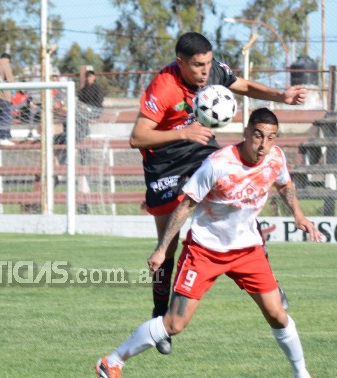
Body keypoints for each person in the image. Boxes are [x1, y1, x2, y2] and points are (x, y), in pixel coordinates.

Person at [96, 108, 333, 378]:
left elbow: (284, 184)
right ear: (246, 132)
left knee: (277, 313)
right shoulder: (218, 164)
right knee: (175, 324)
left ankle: (303, 377)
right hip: (205, 251)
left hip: (247, 250)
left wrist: (298, 214)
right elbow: (185, 206)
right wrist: (161, 249)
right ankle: (112, 362)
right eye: (258, 135)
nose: (263, 144)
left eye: (270, 138)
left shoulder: (275, 158)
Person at [129, 32, 306, 354]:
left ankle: (268, 278)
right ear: (180, 62)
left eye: (208, 63)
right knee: (166, 245)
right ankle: (159, 313)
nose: (204, 71)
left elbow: (245, 86)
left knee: (241, 193)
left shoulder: (213, 72)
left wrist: (282, 96)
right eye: (197, 65)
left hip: (200, 152)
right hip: (165, 167)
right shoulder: (163, 86)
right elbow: (137, 137)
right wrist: (183, 132)